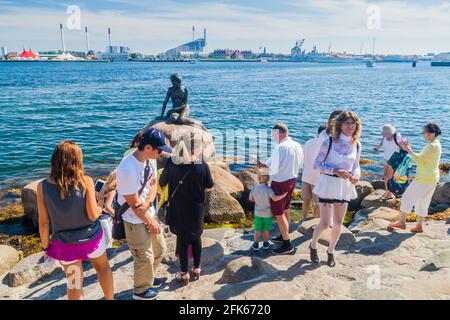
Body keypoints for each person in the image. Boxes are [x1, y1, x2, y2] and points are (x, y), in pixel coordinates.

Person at [36, 141, 114, 300]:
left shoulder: (42, 186)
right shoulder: (86, 181)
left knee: (74, 283)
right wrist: (101, 206)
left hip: (64, 244)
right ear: (77, 160)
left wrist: (46, 247)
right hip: (91, 239)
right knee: (103, 268)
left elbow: (44, 222)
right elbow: (93, 215)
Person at [116, 128, 172, 300]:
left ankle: (148, 279)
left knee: (160, 250)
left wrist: (148, 202)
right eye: (159, 149)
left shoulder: (150, 159)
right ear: (148, 147)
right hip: (134, 220)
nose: (161, 153)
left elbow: (153, 183)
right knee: (144, 256)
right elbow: (133, 205)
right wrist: (150, 221)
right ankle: (140, 291)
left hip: (147, 212)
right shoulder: (127, 168)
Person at [159, 132, 214, 285]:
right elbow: (209, 187)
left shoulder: (172, 162)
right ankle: (197, 268)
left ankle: (184, 273)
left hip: (178, 209)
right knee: (196, 238)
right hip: (196, 208)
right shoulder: (202, 165)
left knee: (182, 240)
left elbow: (162, 182)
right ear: (196, 149)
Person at [310, 111, 362, 267]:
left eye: (353, 123)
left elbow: (356, 166)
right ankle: (313, 245)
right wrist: (335, 171)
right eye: (347, 123)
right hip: (328, 184)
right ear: (339, 125)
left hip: (344, 187)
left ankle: (331, 251)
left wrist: (357, 176)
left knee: (339, 223)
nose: (350, 126)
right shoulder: (329, 142)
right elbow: (317, 165)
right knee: (325, 223)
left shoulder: (357, 144)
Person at [255, 123, 304, 255]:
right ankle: (284, 236)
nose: (273, 138)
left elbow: (269, 169)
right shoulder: (297, 145)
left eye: (273, 135)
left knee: (279, 213)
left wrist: (258, 164)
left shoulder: (280, 148)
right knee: (286, 208)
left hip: (279, 183)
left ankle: (287, 244)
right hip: (291, 181)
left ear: (278, 133)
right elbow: (300, 164)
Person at [389, 123, 442, 233]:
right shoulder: (436, 144)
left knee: (407, 197)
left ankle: (402, 222)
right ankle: (419, 226)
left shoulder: (431, 146)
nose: (423, 135)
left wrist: (408, 150)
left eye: (425, 132)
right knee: (424, 200)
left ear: (432, 133)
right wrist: (409, 150)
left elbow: (419, 161)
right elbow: (422, 159)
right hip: (432, 177)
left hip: (424, 178)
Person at [249, 172, 288, 251]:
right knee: (266, 229)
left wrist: (257, 201)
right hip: (267, 214)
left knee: (257, 229)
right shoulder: (269, 189)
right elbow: (275, 198)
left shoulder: (254, 188)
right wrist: (284, 195)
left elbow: (250, 198)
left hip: (258, 213)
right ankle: (266, 244)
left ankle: (256, 244)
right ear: (268, 180)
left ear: (259, 178)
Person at [301, 124, 327, 220]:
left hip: (306, 176)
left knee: (306, 201)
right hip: (317, 179)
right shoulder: (324, 144)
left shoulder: (308, 142)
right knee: (318, 203)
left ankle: (303, 219)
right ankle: (315, 222)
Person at [374, 125, 402, 200]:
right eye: (385, 134)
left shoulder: (397, 137)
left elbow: (403, 146)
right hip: (386, 159)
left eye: (388, 134)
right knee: (385, 176)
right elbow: (382, 142)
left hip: (394, 159)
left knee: (388, 177)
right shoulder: (385, 137)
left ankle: (389, 193)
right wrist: (377, 148)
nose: (387, 136)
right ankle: (387, 192)